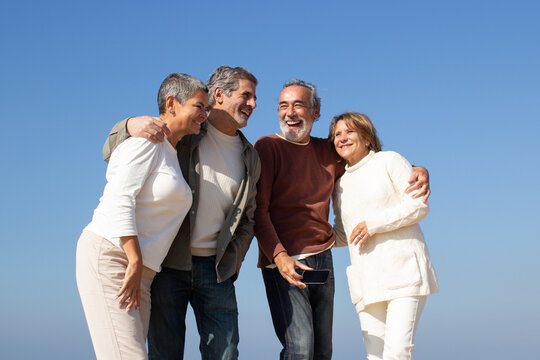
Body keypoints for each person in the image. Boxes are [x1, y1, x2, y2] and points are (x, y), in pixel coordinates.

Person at [254, 81, 431, 360]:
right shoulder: (267, 147)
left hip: (323, 260)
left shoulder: (329, 152)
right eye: (283, 106)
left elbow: (369, 165)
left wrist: (418, 169)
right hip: (286, 261)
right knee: (300, 348)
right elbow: (258, 210)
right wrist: (279, 257)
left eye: (298, 104)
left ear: (316, 111)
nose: (290, 112)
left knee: (323, 351)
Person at [103, 65, 260, 360]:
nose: (253, 104)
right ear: (219, 95)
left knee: (225, 354)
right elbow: (111, 150)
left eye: (254, 97)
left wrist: (233, 262)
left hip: (217, 271)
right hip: (168, 265)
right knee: (164, 353)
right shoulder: (186, 132)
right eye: (246, 96)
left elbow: (248, 218)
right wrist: (129, 124)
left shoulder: (250, 156)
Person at [76, 73, 209, 359]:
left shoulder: (171, 152)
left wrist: (141, 267)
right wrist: (134, 260)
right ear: (172, 103)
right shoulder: (145, 143)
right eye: (199, 106)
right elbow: (119, 200)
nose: (205, 115)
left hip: (143, 273)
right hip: (114, 257)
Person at [330, 112, 439, 360]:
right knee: (374, 355)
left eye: (349, 132)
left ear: (367, 137)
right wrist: (308, 237)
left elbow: (418, 206)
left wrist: (373, 224)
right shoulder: (339, 185)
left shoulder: (390, 161)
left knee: (397, 352)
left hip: (404, 273)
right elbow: (344, 233)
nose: (342, 138)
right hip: (365, 280)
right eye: (337, 134)